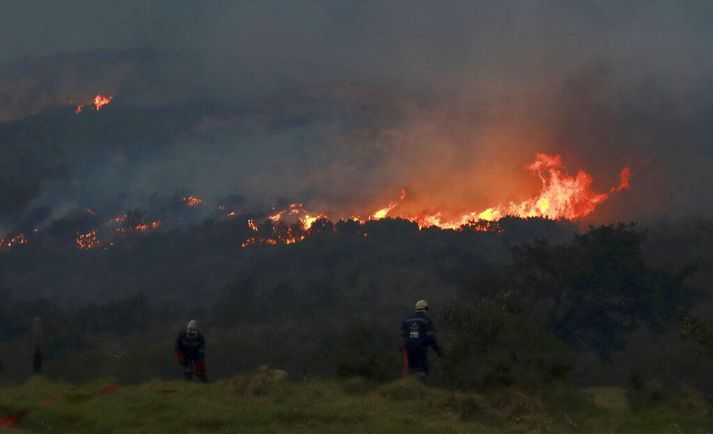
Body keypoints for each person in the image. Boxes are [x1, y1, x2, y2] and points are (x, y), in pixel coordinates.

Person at [400, 299, 441, 376]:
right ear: (425, 309)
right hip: (421, 348)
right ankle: (422, 384)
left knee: (411, 369)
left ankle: (410, 385)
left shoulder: (407, 319)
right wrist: (437, 350)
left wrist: (413, 336)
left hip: (408, 348)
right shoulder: (426, 320)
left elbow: (402, 333)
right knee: (422, 370)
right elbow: (431, 337)